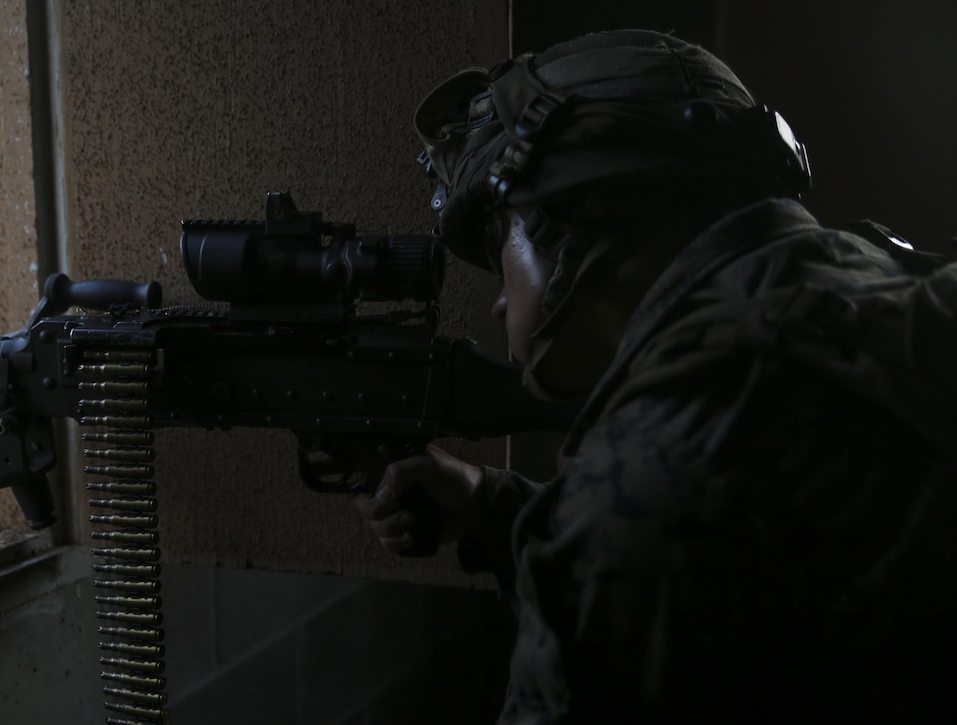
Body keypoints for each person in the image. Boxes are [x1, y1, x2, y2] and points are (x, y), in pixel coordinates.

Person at [353, 30, 957, 722]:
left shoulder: (644, 494)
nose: (498, 302)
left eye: (501, 251)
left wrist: (573, 536)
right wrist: (498, 510)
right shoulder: (880, 282)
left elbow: (657, 540)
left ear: (578, 218)